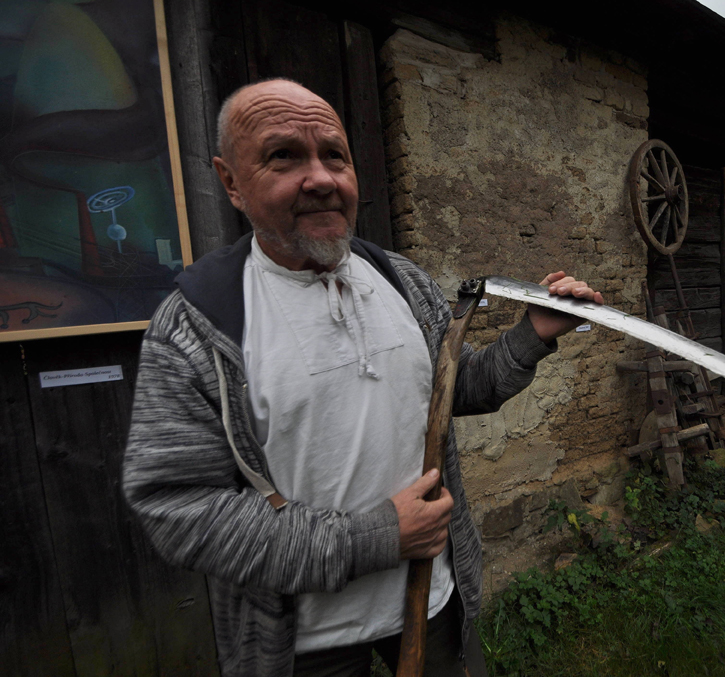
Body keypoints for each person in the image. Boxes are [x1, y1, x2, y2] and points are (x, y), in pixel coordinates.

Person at [122, 78, 603, 677]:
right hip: (302, 644)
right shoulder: (198, 322)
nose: (320, 178)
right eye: (283, 156)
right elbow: (176, 506)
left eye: (335, 155)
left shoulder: (401, 281)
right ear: (231, 182)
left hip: (432, 600)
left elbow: (458, 388)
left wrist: (535, 331)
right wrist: (373, 537)